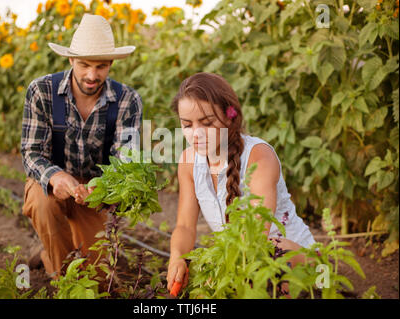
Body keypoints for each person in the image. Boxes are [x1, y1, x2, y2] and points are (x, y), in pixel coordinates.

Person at [166, 72, 315, 292]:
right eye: (187, 125)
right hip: (242, 259)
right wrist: (176, 257)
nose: (196, 134)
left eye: (206, 123)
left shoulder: (258, 156)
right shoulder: (189, 161)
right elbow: (185, 226)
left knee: (271, 250)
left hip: (296, 259)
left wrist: (220, 266)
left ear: (229, 117)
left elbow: (256, 232)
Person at [21, 14, 142, 278]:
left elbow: (126, 160)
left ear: (110, 64)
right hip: (51, 186)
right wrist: (56, 177)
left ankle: (50, 253)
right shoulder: (42, 91)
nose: (91, 75)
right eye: (84, 65)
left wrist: (103, 186)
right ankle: (62, 277)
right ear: (71, 60)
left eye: (101, 67)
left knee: (98, 278)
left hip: (95, 190)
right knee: (44, 207)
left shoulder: (127, 100)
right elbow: (31, 153)